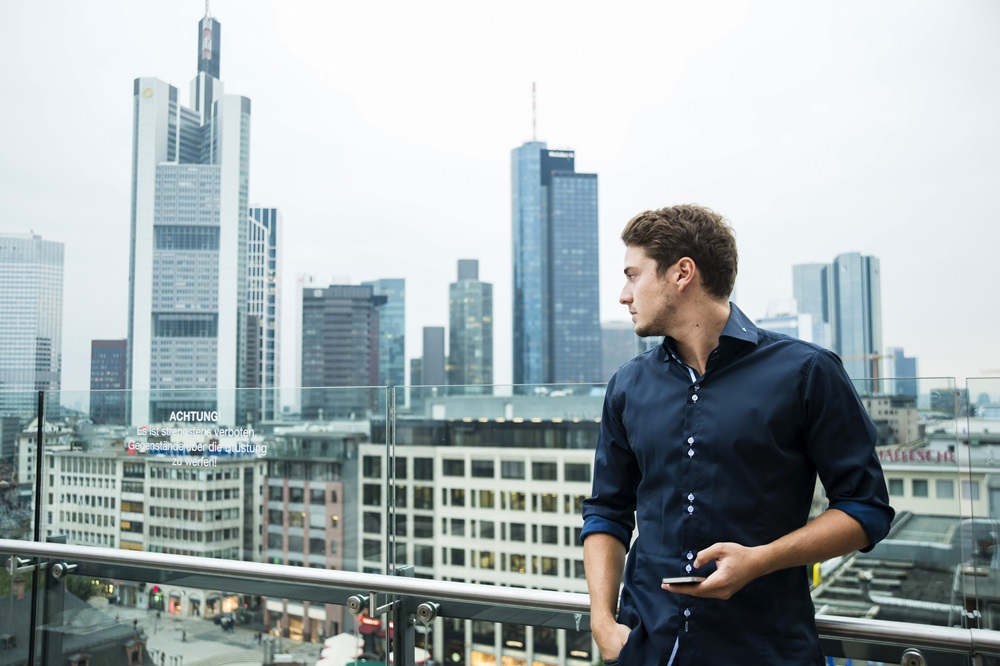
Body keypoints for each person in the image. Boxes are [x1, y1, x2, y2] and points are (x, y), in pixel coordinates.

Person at [581, 205, 894, 665]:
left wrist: (760, 559)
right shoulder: (627, 385)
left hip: (763, 648)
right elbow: (607, 511)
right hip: (647, 647)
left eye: (634, 275)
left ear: (682, 273)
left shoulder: (807, 372)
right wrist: (603, 624)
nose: (624, 295)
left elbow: (865, 510)